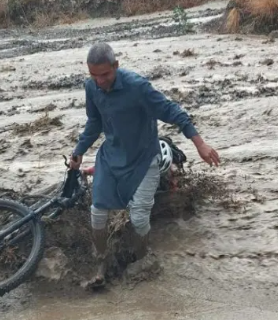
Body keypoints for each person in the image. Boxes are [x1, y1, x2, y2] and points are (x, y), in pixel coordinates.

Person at [70, 42, 220, 289]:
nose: (100, 81)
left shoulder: (137, 87)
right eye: (94, 76)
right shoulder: (92, 87)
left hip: (143, 160)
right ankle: (102, 264)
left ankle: (141, 259)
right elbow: (94, 123)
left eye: (105, 75)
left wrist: (200, 144)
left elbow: (173, 111)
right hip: (110, 159)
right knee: (97, 213)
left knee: (139, 216)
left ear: (116, 67)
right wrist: (78, 151)